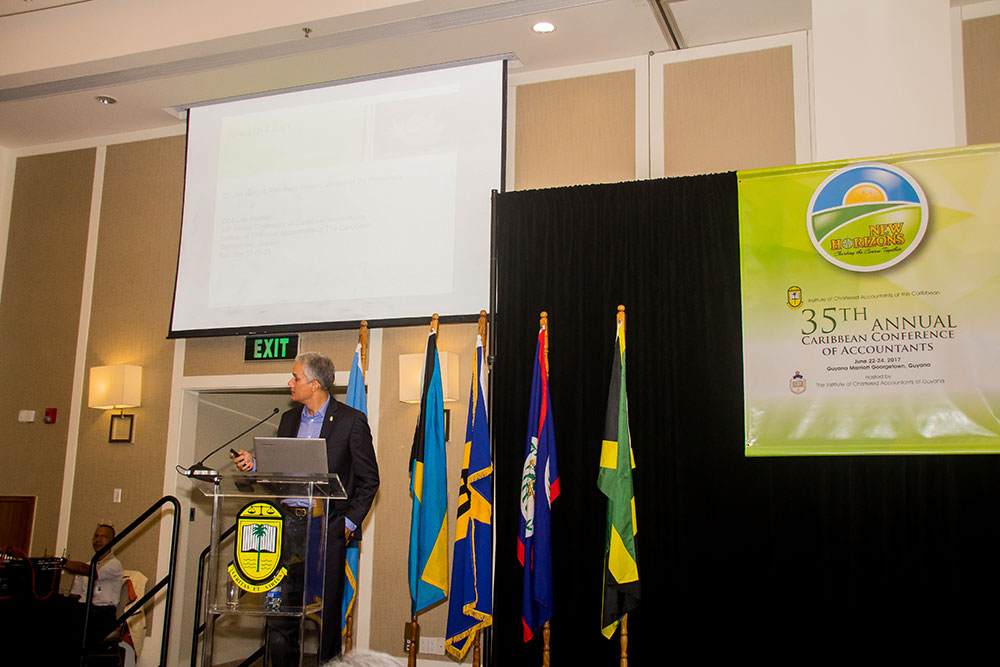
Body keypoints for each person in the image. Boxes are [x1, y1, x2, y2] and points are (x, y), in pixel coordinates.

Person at [232, 351, 380, 664]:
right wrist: (255, 464)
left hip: (325, 529)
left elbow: (369, 481)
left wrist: (347, 524)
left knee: (326, 615)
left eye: (296, 377)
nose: (290, 382)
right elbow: (281, 471)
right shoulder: (288, 420)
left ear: (314, 384)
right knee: (279, 612)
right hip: (285, 528)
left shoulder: (351, 421)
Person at [63, 522, 124, 649]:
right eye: (96, 536)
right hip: (83, 610)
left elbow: (91, 572)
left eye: (103, 537)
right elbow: (75, 595)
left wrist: (62, 563)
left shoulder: (114, 565)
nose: (98, 540)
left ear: (112, 541)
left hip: (103, 614)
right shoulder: (86, 566)